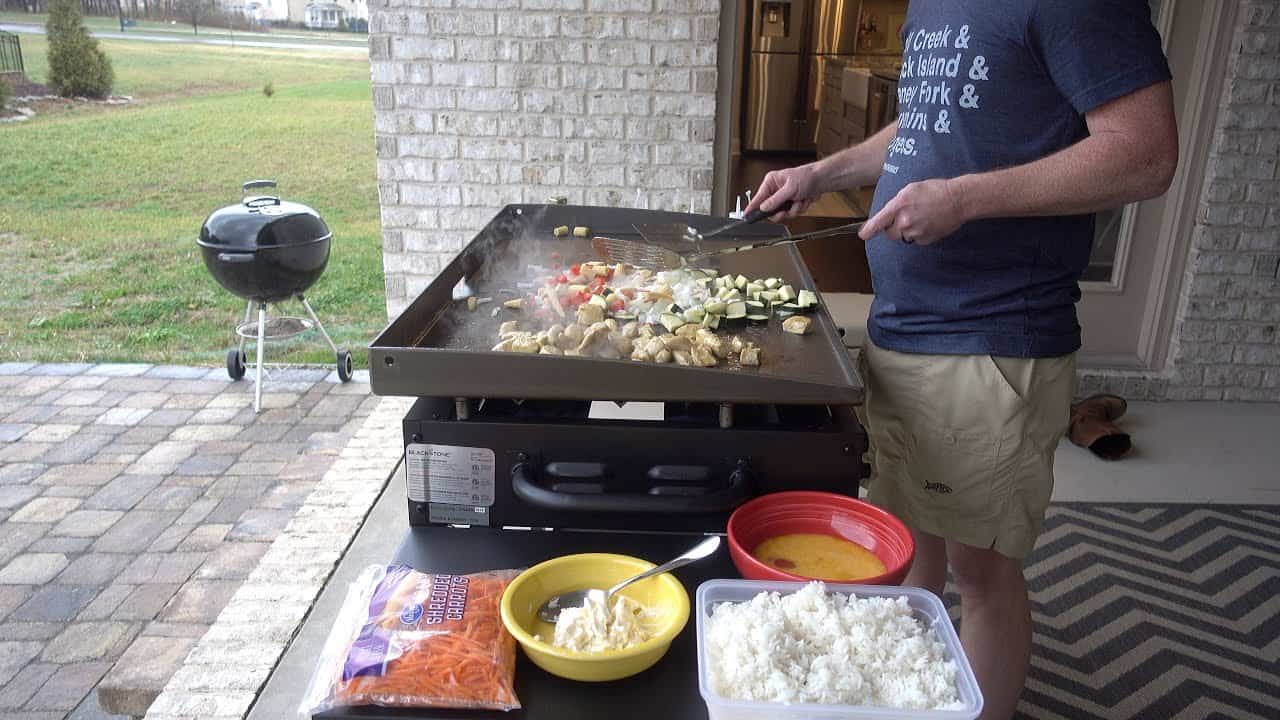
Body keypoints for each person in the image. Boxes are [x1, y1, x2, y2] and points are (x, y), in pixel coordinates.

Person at [746, 2, 1178, 718]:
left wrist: (966, 198)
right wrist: (825, 172)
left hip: (993, 340)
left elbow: (1145, 153)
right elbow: (927, 126)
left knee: (983, 576)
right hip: (902, 328)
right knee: (903, 539)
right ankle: (906, 696)